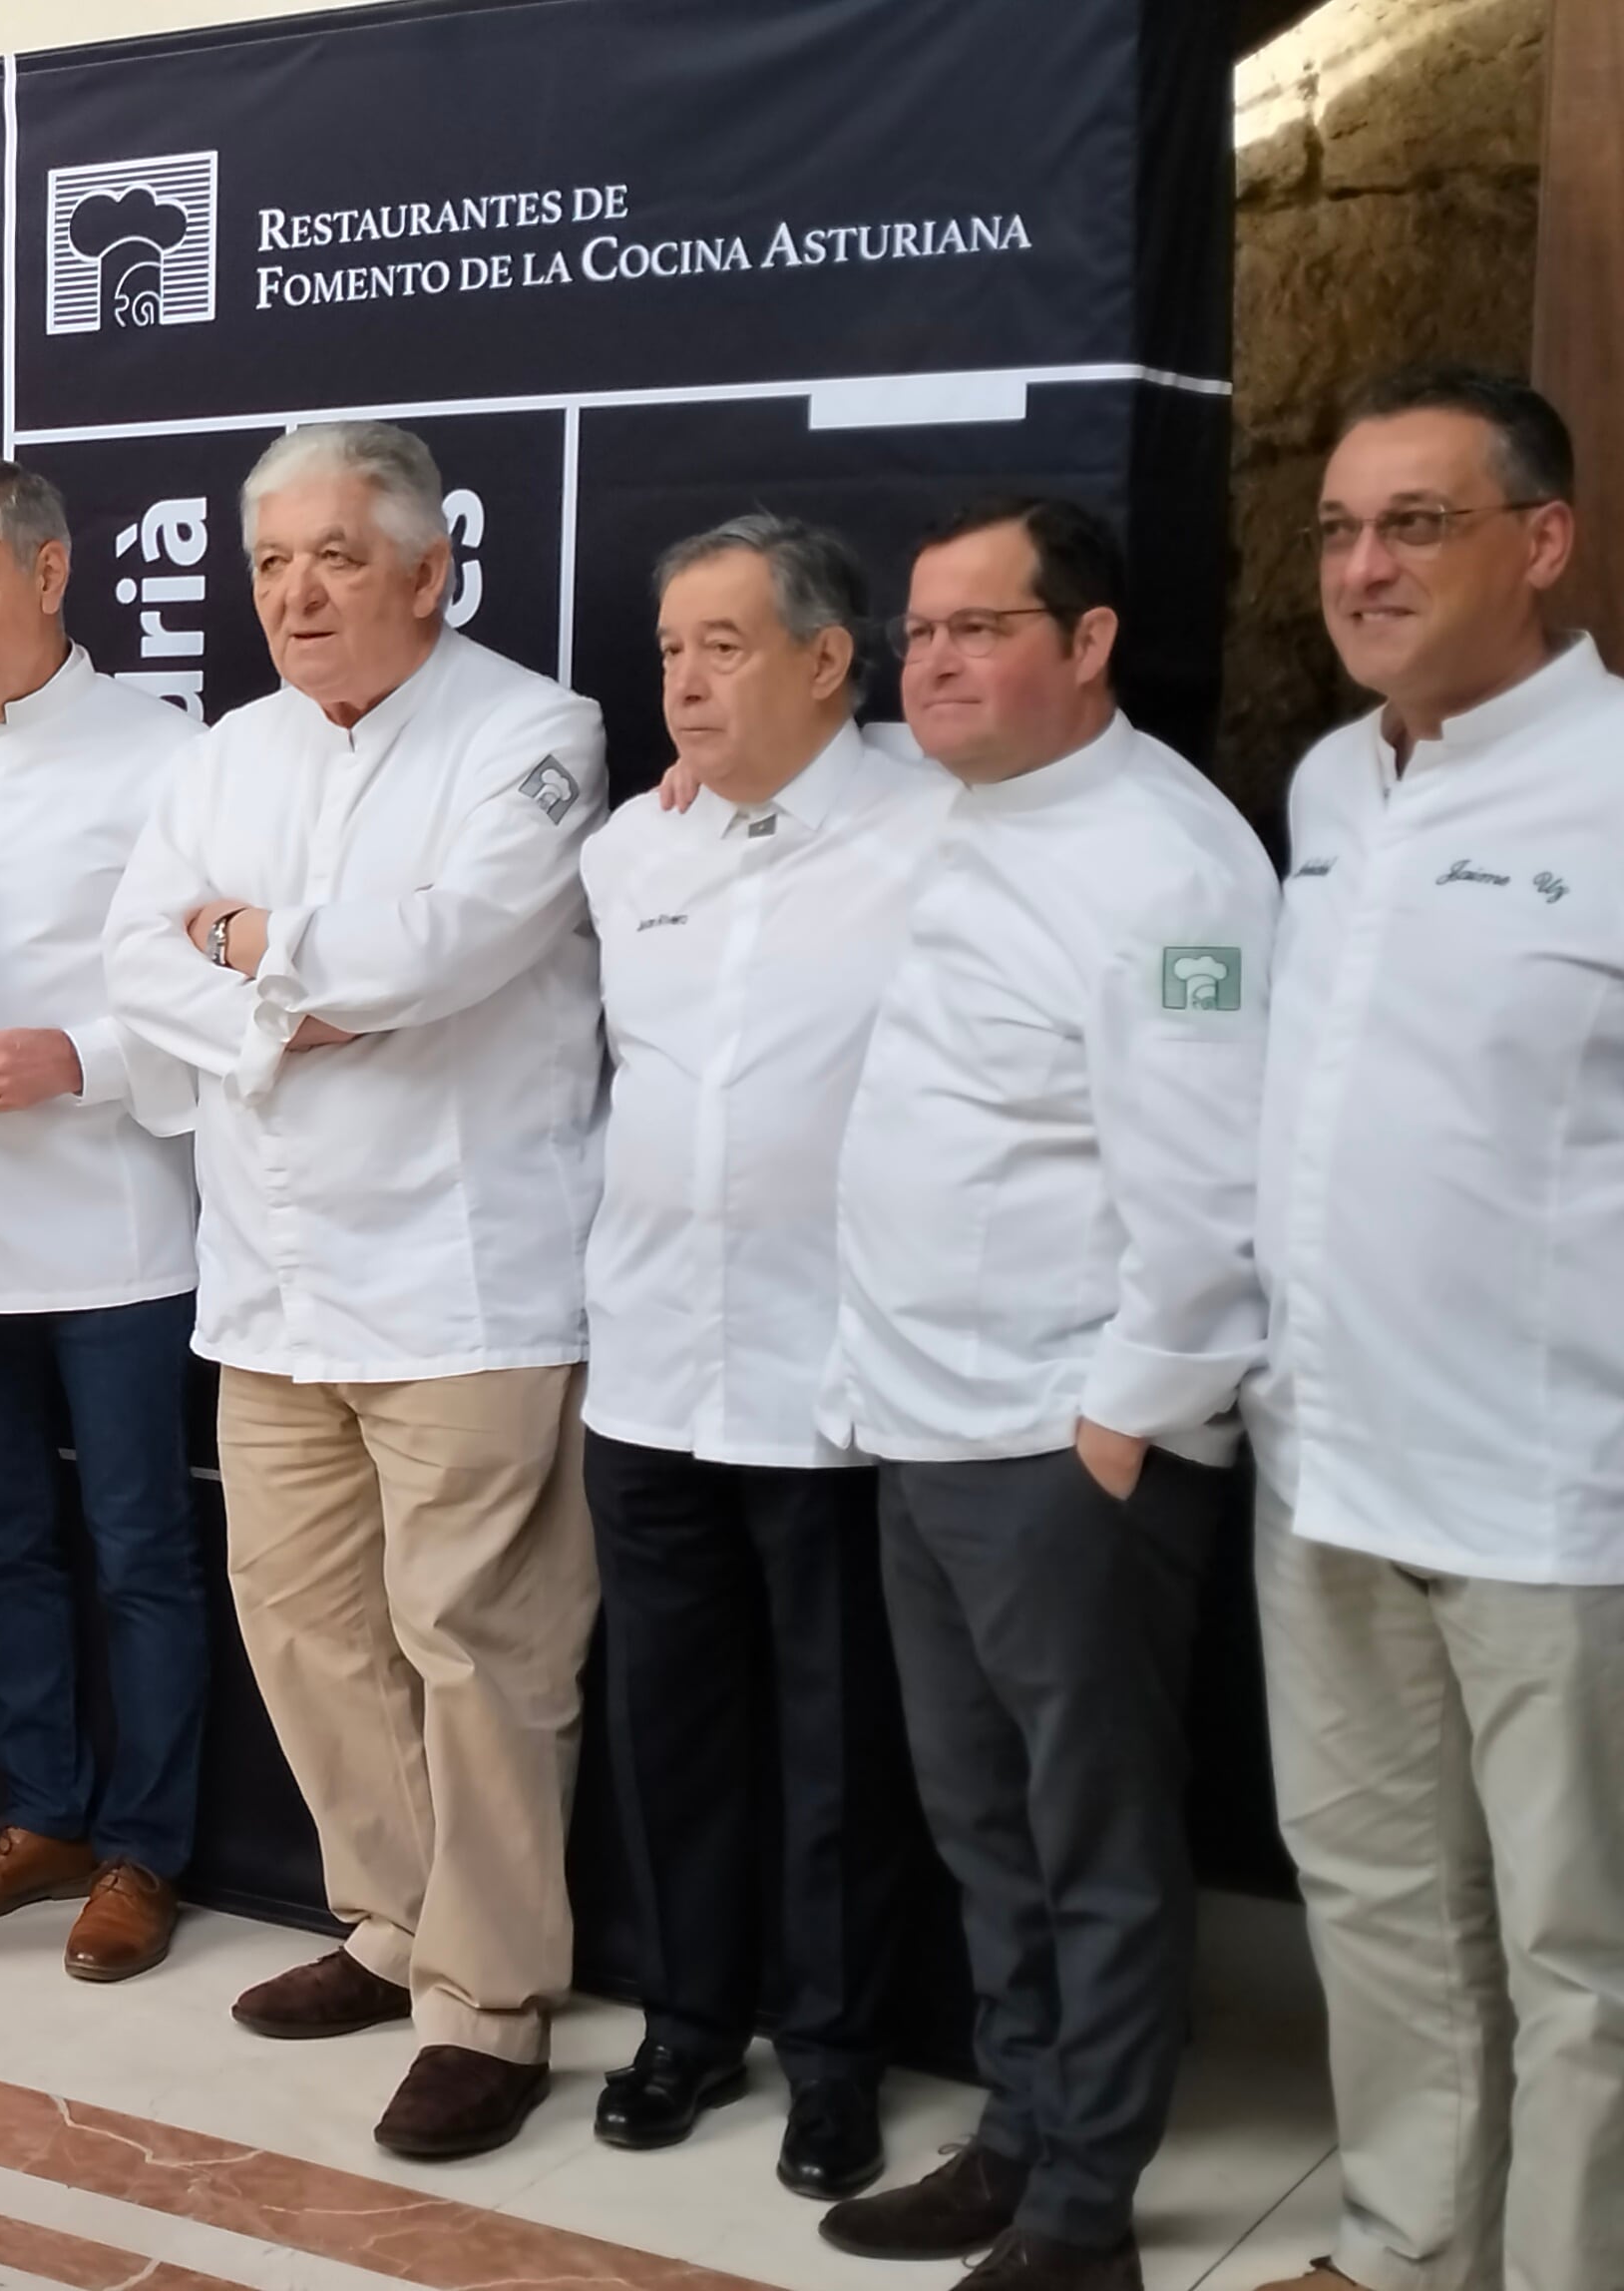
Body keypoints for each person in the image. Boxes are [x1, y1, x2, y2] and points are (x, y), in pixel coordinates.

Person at [103, 419, 605, 2161]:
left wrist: (250, 949)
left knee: (481, 1652)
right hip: (271, 1286)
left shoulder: (535, 731)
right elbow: (126, 954)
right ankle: (393, 1927)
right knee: (308, 1631)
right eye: (267, 565)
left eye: (332, 555)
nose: (295, 592)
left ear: (426, 567)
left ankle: (493, 1999)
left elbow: (451, 945)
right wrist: (286, 987)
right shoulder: (222, 749)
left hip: (469, 1283)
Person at [811, 497, 1271, 2291]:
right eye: (918, 632)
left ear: (1088, 645)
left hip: (1065, 1448)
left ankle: (1089, 2207)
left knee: (1092, 1835)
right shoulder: (960, 798)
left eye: (980, 629)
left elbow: (1211, 1190)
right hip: (924, 1425)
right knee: (984, 1826)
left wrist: (1121, 1421)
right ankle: (1016, 2132)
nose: (934, 664)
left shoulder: (1168, 863)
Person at [1246, 367, 1623, 2291]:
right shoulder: (1328, 784)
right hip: (1329, 1467)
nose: (1364, 565)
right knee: (1381, 1904)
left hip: (1563, 1493)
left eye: (1416, 524)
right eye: (1337, 530)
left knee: (1583, 1958)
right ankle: (1408, 2252)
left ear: (1540, 544)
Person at [577, 516, 943, 2198]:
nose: (684, 679)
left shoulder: (937, 831)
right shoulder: (630, 852)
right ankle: (688, 2019)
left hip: (835, 1380)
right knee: (675, 1727)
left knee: (838, 1744)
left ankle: (836, 2052)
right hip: (651, 1366)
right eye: (668, 649)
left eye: (724, 644)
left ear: (825, 659)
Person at [0, 459, 212, 1986]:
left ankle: (147, 1847)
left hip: (120, 1219)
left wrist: (85, 1058)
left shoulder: (166, 747)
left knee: (139, 1547)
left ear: (52, 573)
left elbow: (221, 996)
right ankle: (45, 1814)